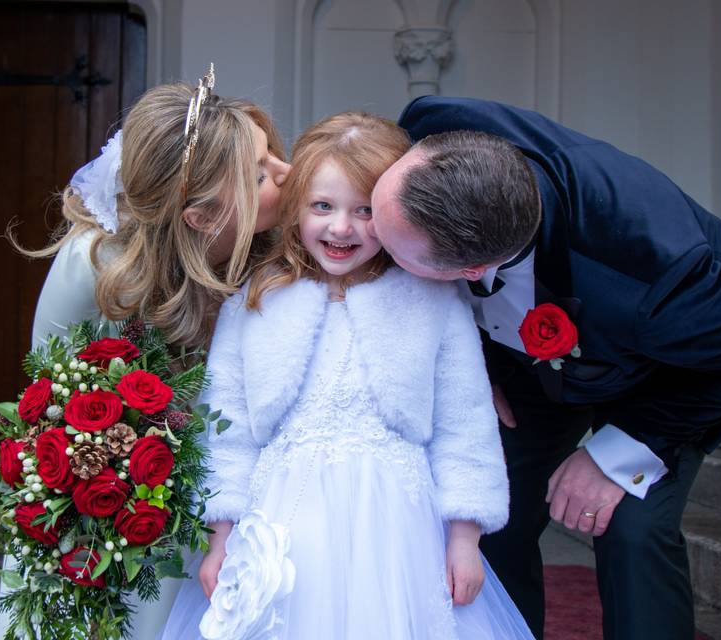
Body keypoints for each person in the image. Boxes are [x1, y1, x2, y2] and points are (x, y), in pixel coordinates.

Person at [368, 95, 721, 640]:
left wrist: (619, 452)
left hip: (672, 370)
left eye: (391, 244)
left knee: (633, 532)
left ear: (469, 270)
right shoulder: (436, 123)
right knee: (486, 511)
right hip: (526, 364)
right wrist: (472, 365)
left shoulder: (657, 280)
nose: (371, 240)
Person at [159, 112, 535, 640]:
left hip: (397, 529)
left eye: (364, 211)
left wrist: (465, 538)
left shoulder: (431, 301)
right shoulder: (258, 296)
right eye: (322, 206)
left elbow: (464, 420)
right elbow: (228, 422)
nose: (341, 228)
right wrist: (220, 536)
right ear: (296, 208)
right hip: (281, 523)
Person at [0, 71, 290, 640]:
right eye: (260, 175)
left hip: (236, 504)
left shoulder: (285, 254)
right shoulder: (95, 266)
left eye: (272, 154)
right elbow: (46, 406)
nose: (287, 172)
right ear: (201, 217)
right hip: (122, 517)